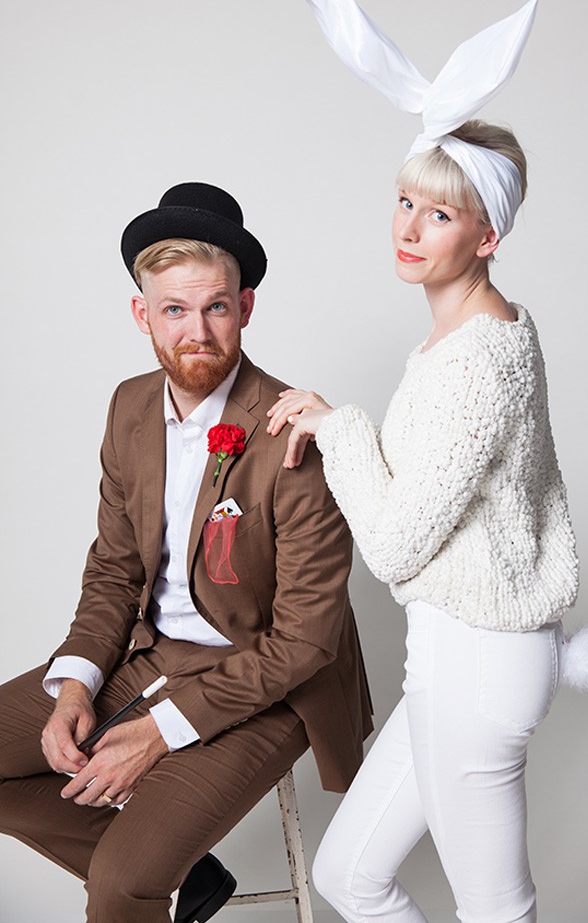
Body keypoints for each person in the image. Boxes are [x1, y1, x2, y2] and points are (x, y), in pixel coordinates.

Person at [266, 0, 588, 923]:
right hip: (453, 657)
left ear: (488, 234)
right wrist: (339, 424)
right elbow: (432, 496)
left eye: (439, 215)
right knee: (349, 877)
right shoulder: (470, 334)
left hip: (478, 661)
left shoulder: (477, 360)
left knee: (495, 909)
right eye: (405, 201)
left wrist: (341, 427)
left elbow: (396, 544)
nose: (408, 228)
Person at [0, 181, 372, 923]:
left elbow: (304, 642)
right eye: (174, 309)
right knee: (113, 851)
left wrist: (160, 733)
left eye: (216, 307)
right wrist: (73, 686)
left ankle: (136, 869)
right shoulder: (129, 405)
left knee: (119, 886)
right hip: (150, 653)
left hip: (269, 680)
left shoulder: (296, 432)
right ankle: (180, 871)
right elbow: (114, 571)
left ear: (246, 307)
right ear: (143, 315)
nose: (196, 332)